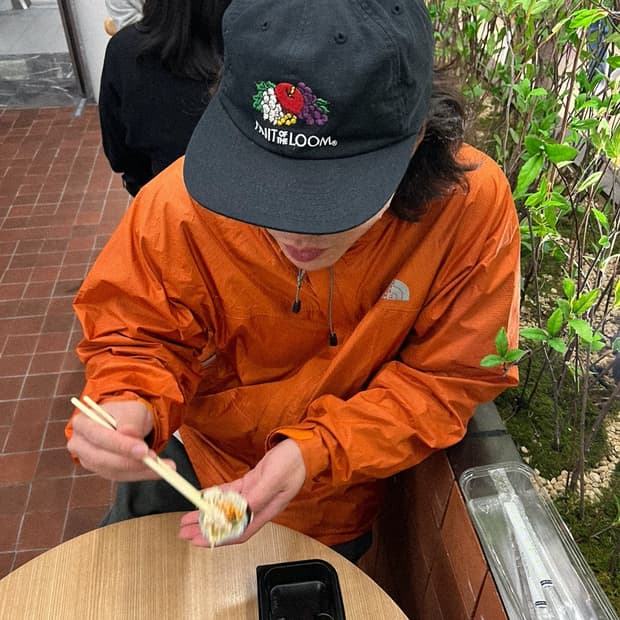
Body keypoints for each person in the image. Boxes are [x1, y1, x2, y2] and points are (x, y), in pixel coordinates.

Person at [66, 0, 520, 563]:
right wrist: (127, 396)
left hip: (334, 491)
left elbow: (446, 379)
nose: (294, 234)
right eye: (262, 185)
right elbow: (136, 330)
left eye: (332, 199)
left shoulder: (466, 210)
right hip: (192, 458)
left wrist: (314, 452)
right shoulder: (180, 204)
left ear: (415, 138)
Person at [98, 0, 230, 196]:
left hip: (161, 195)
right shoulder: (252, 51)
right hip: (241, 203)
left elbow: (118, 156)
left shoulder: (123, 50)